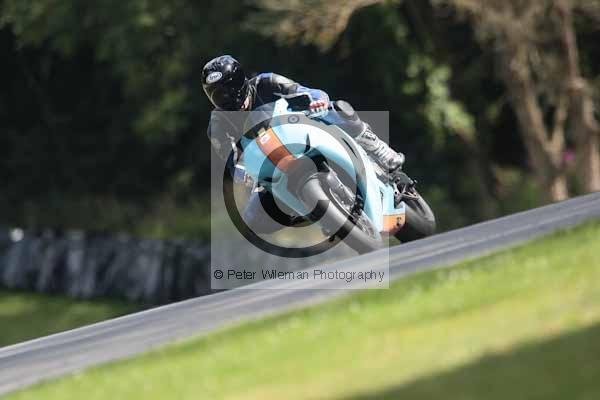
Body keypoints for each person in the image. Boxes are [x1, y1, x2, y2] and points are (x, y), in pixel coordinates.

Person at [202, 55, 405, 233]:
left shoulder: (267, 82)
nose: (226, 97)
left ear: (240, 81)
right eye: (218, 94)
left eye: (229, 89)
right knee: (252, 220)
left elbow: (305, 91)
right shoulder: (218, 123)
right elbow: (230, 159)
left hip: (300, 133)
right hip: (270, 167)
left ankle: (377, 148)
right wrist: (242, 173)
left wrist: (317, 101)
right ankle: (317, 215)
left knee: (338, 108)